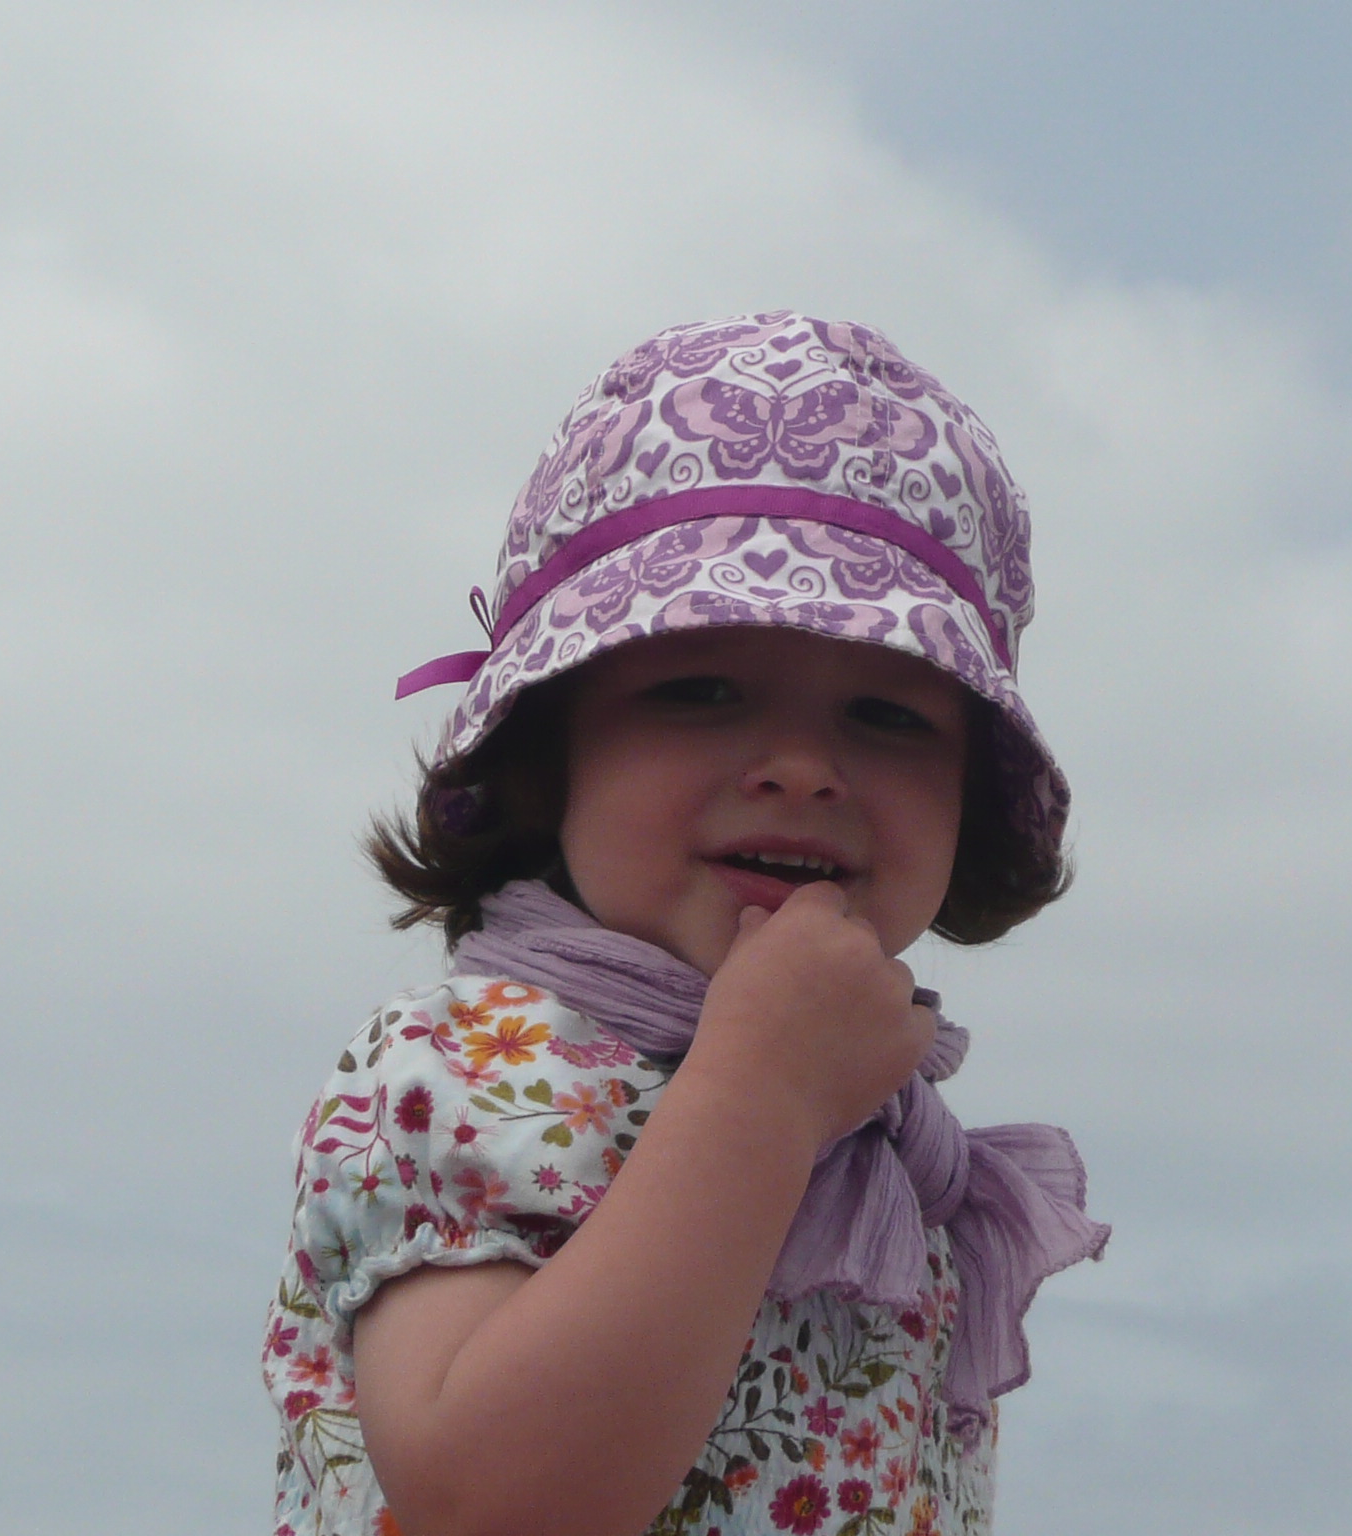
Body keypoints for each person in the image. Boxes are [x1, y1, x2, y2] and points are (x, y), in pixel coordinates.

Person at [264, 312, 1109, 1536]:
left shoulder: (880, 1143)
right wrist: (762, 1090)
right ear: (552, 750)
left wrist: (793, 1092)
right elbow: (484, 1506)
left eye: (887, 716)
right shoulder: (461, 1067)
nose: (799, 768)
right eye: (699, 689)